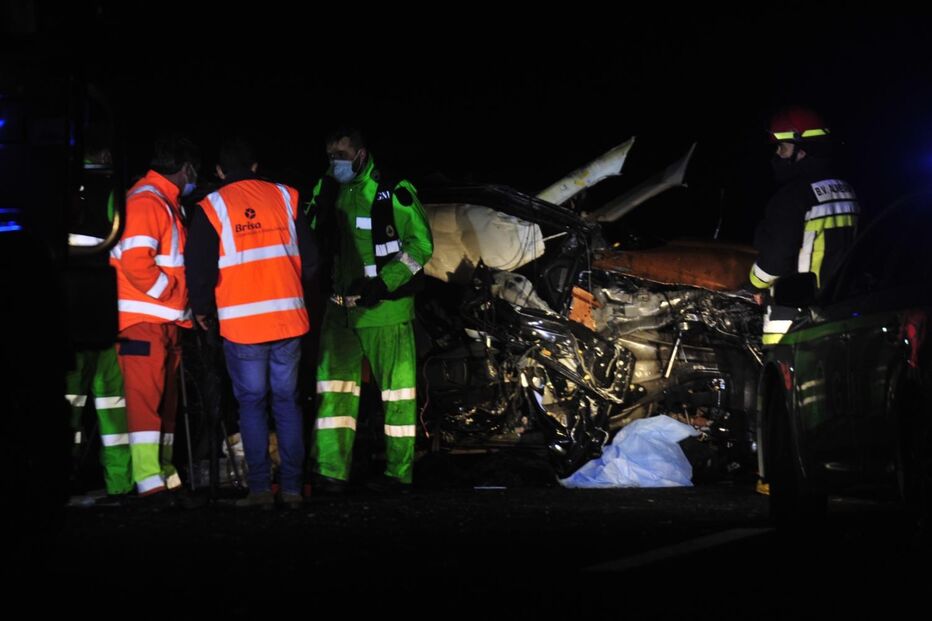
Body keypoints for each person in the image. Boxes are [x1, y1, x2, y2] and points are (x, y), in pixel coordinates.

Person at [186, 137, 318, 509]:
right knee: (287, 403)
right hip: (288, 320)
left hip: (242, 327)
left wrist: (201, 309)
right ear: (256, 167)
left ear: (219, 171)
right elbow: (311, 259)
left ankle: (260, 491)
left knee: (252, 405)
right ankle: (291, 490)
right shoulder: (286, 197)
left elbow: (199, 268)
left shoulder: (212, 206)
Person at [306, 127, 432, 493]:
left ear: (361, 155)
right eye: (331, 156)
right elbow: (310, 234)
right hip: (339, 312)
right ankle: (330, 472)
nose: (336, 163)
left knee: (397, 395)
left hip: (385, 310)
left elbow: (421, 245)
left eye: (342, 156)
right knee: (334, 392)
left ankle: (398, 474)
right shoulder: (325, 188)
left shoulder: (392, 190)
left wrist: (384, 283)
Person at [112, 133, 198, 502]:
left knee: (164, 404)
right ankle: (149, 481)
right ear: (185, 168)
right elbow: (136, 262)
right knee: (146, 402)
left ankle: (163, 474)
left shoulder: (162, 200)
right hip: (143, 322)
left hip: (164, 321)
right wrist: (171, 293)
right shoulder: (147, 200)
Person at [749, 106, 860, 345]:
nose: (778, 154)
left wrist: (751, 284)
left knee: (781, 369)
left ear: (802, 151)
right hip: (840, 311)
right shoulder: (847, 191)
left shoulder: (792, 198)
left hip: (794, 320)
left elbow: (775, 260)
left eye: (782, 147)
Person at [65, 132, 133, 502]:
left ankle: (64, 480)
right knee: (113, 406)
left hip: (68, 315)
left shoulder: (58, 190)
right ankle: (120, 484)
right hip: (107, 312)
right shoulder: (114, 192)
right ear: (106, 153)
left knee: (69, 405)